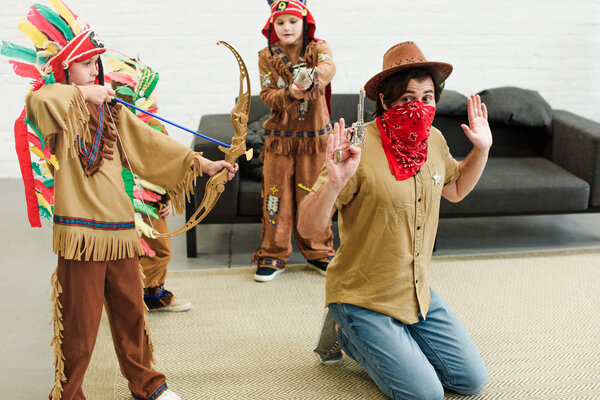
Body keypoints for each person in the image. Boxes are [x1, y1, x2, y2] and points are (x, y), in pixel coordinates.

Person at [2, 2, 236, 399]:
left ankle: (146, 384)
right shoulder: (56, 106)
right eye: (85, 64)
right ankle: (70, 393)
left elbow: (149, 144)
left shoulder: (110, 111)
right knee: (79, 323)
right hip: (81, 234)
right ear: (65, 71)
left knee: (132, 312)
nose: (95, 70)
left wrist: (201, 164)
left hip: (121, 230)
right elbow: (40, 104)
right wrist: (83, 91)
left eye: (97, 64)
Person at [298, 41, 491, 399]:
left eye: (427, 97)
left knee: (471, 381)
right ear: (385, 101)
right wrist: (335, 181)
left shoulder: (433, 140)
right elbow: (308, 230)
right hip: (363, 296)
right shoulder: (356, 147)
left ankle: (395, 336)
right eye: (406, 98)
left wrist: (482, 149)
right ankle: (349, 333)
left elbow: (456, 189)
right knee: (426, 396)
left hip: (415, 292)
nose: (418, 107)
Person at [252, 0, 337, 282]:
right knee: (277, 196)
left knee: (315, 195)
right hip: (280, 139)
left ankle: (319, 251)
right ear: (272, 25)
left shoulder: (319, 48)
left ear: (304, 22)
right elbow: (267, 94)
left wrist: (310, 80)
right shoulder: (266, 55)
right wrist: (290, 92)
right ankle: (273, 254)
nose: (286, 27)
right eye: (280, 22)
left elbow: (328, 68)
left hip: (315, 139)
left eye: (292, 21)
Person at [107, 54, 192, 312]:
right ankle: (124, 297)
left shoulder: (153, 126)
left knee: (158, 248)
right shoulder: (102, 126)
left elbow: (165, 162)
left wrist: (165, 198)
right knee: (121, 252)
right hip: (114, 201)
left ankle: (152, 294)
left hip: (148, 200)